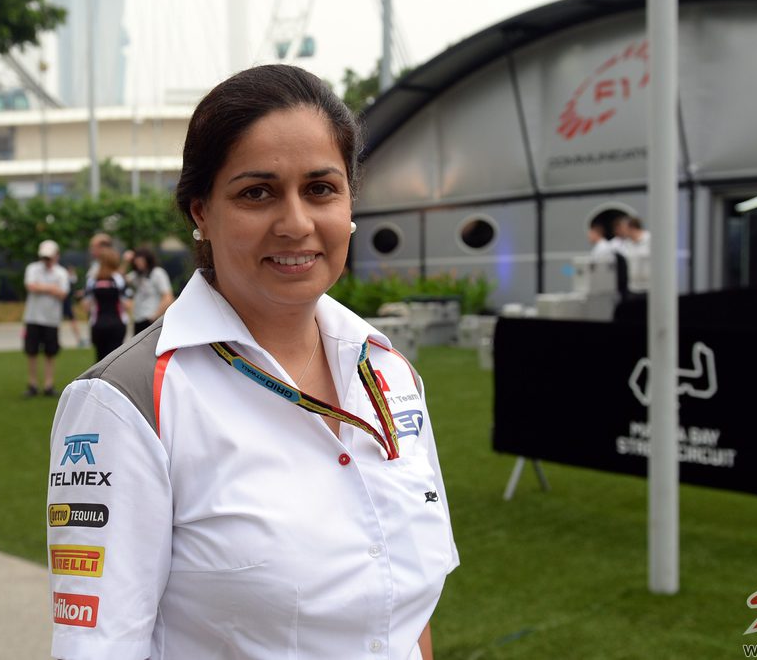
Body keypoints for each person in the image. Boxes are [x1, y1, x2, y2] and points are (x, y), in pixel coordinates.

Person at [47, 64, 458, 660]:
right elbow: (98, 648)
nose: (296, 224)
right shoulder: (128, 401)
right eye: (256, 193)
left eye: (321, 189)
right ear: (201, 213)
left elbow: (408, 616)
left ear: (348, 204)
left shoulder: (391, 374)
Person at [22, 239, 70, 397]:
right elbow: (30, 286)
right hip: (33, 317)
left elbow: (63, 293)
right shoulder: (33, 268)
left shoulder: (61, 272)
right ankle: (33, 384)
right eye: (44, 257)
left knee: (50, 352)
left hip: (51, 319)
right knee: (32, 352)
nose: (46, 261)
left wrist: (42, 288)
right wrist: (51, 288)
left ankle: (48, 384)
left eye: (49, 257)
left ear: (57, 256)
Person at [83, 247, 130, 361]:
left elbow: (86, 306)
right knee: (114, 360)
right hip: (117, 323)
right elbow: (128, 304)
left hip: (98, 324)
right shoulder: (118, 279)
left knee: (100, 360)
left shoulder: (92, 280)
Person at [123, 246, 174, 335]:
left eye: (141, 260)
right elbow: (119, 279)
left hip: (150, 319)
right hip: (138, 319)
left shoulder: (157, 273)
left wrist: (155, 316)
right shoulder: (137, 275)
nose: (138, 263)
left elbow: (168, 297)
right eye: (136, 261)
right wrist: (126, 262)